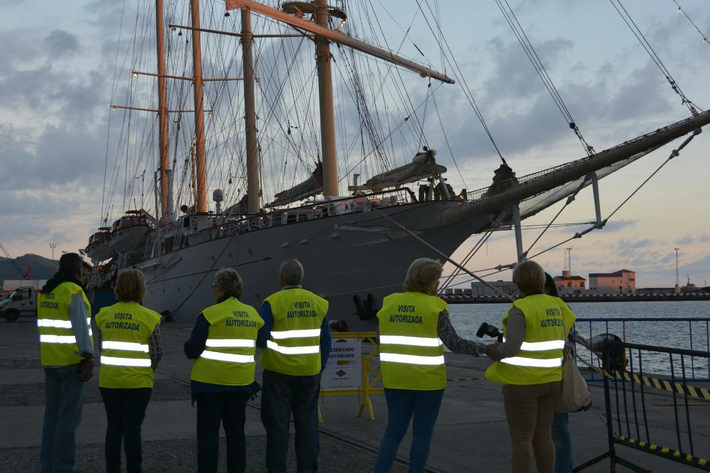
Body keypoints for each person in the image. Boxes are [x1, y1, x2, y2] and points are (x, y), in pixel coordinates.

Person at [375, 258, 487, 473]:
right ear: (432, 283)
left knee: (393, 432)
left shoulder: (389, 303)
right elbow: (454, 343)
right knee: (422, 434)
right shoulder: (436, 307)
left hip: (395, 379)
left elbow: (380, 337)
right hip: (428, 383)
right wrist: (483, 348)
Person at [484, 260, 575, 473]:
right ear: (542, 280)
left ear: (518, 283)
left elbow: (511, 349)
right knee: (544, 438)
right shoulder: (558, 306)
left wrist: (492, 350)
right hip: (551, 380)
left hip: (522, 382)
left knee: (521, 440)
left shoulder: (520, 308)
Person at [184, 268, 264, 473]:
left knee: (208, 437)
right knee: (236, 435)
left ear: (220, 289)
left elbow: (192, 350)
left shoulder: (210, 314)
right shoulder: (253, 315)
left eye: (214, 286)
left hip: (210, 385)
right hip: (240, 385)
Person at [257, 259, 331, 473]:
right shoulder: (318, 302)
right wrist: (319, 366)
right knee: (307, 426)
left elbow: (261, 338)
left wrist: (277, 348)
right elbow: (326, 340)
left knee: (277, 427)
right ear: (301, 278)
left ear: (281, 279)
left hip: (278, 374)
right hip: (309, 374)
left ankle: (277, 469)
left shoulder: (273, 302)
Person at [95, 269, 162, 473]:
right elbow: (157, 352)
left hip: (110, 381)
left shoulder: (103, 315)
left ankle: (112, 469)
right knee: (133, 431)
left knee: (113, 428)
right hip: (138, 383)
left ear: (118, 288)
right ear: (142, 289)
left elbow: (101, 346)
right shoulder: (150, 317)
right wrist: (147, 371)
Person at [37, 252, 94, 473]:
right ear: (78, 269)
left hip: (50, 361)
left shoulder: (46, 292)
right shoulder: (74, 291)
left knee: (51, 418)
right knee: (68, 421)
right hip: (72, 363)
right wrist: (88, 357)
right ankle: (63, 468)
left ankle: (48, 466)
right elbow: (80, 327)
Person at [544, 273, 574, 473]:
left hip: (533, 379)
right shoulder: (562, 308)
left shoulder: (522, 308)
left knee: (533, 434)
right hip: (558, 374)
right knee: (560, 431)